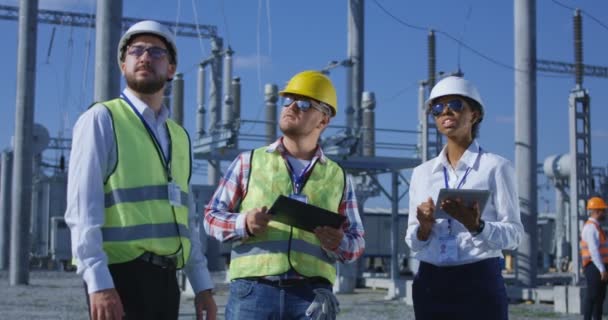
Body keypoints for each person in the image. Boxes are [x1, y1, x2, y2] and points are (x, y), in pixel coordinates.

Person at [65, 20, 216, 320]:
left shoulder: (179, 136)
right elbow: (82, 211)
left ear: (171, 69)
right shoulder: (102, 119)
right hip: (119, 278)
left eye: (156, 52)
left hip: (166, 279)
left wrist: (202, 286)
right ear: (123, 65)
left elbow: (187, 215)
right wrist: (98, 282)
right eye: (136, 51)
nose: (145, 57)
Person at [204, 70, 365, 319]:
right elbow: (211, 217)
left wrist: (339, 242)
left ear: (323, 120)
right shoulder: (248, 162)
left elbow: (357, 242)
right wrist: (243, 223)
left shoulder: (339, 177)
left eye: (303, 103)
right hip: (253, 293)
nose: (291, 107)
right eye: (287, 100)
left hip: (312, 296)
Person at [405, 76, 524, 320]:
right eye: (438, 108)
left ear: (475, 115)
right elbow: (412, 240)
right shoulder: (422, 174)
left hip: (478, 280)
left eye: (456, 105)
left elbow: (514, 235)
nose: (445, 111)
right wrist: (424, 229)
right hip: (430, 281)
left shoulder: (496, 167)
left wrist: (477, 226)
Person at [580, 196, 608, 320]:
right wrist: (602, 269)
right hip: (594, 266)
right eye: (603, 210)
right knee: (593, 297)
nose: (605, 213)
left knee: (599, 298)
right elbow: (593, 251)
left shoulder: (596, 227)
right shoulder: (591, 228)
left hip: (597, 266)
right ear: (596, 211)